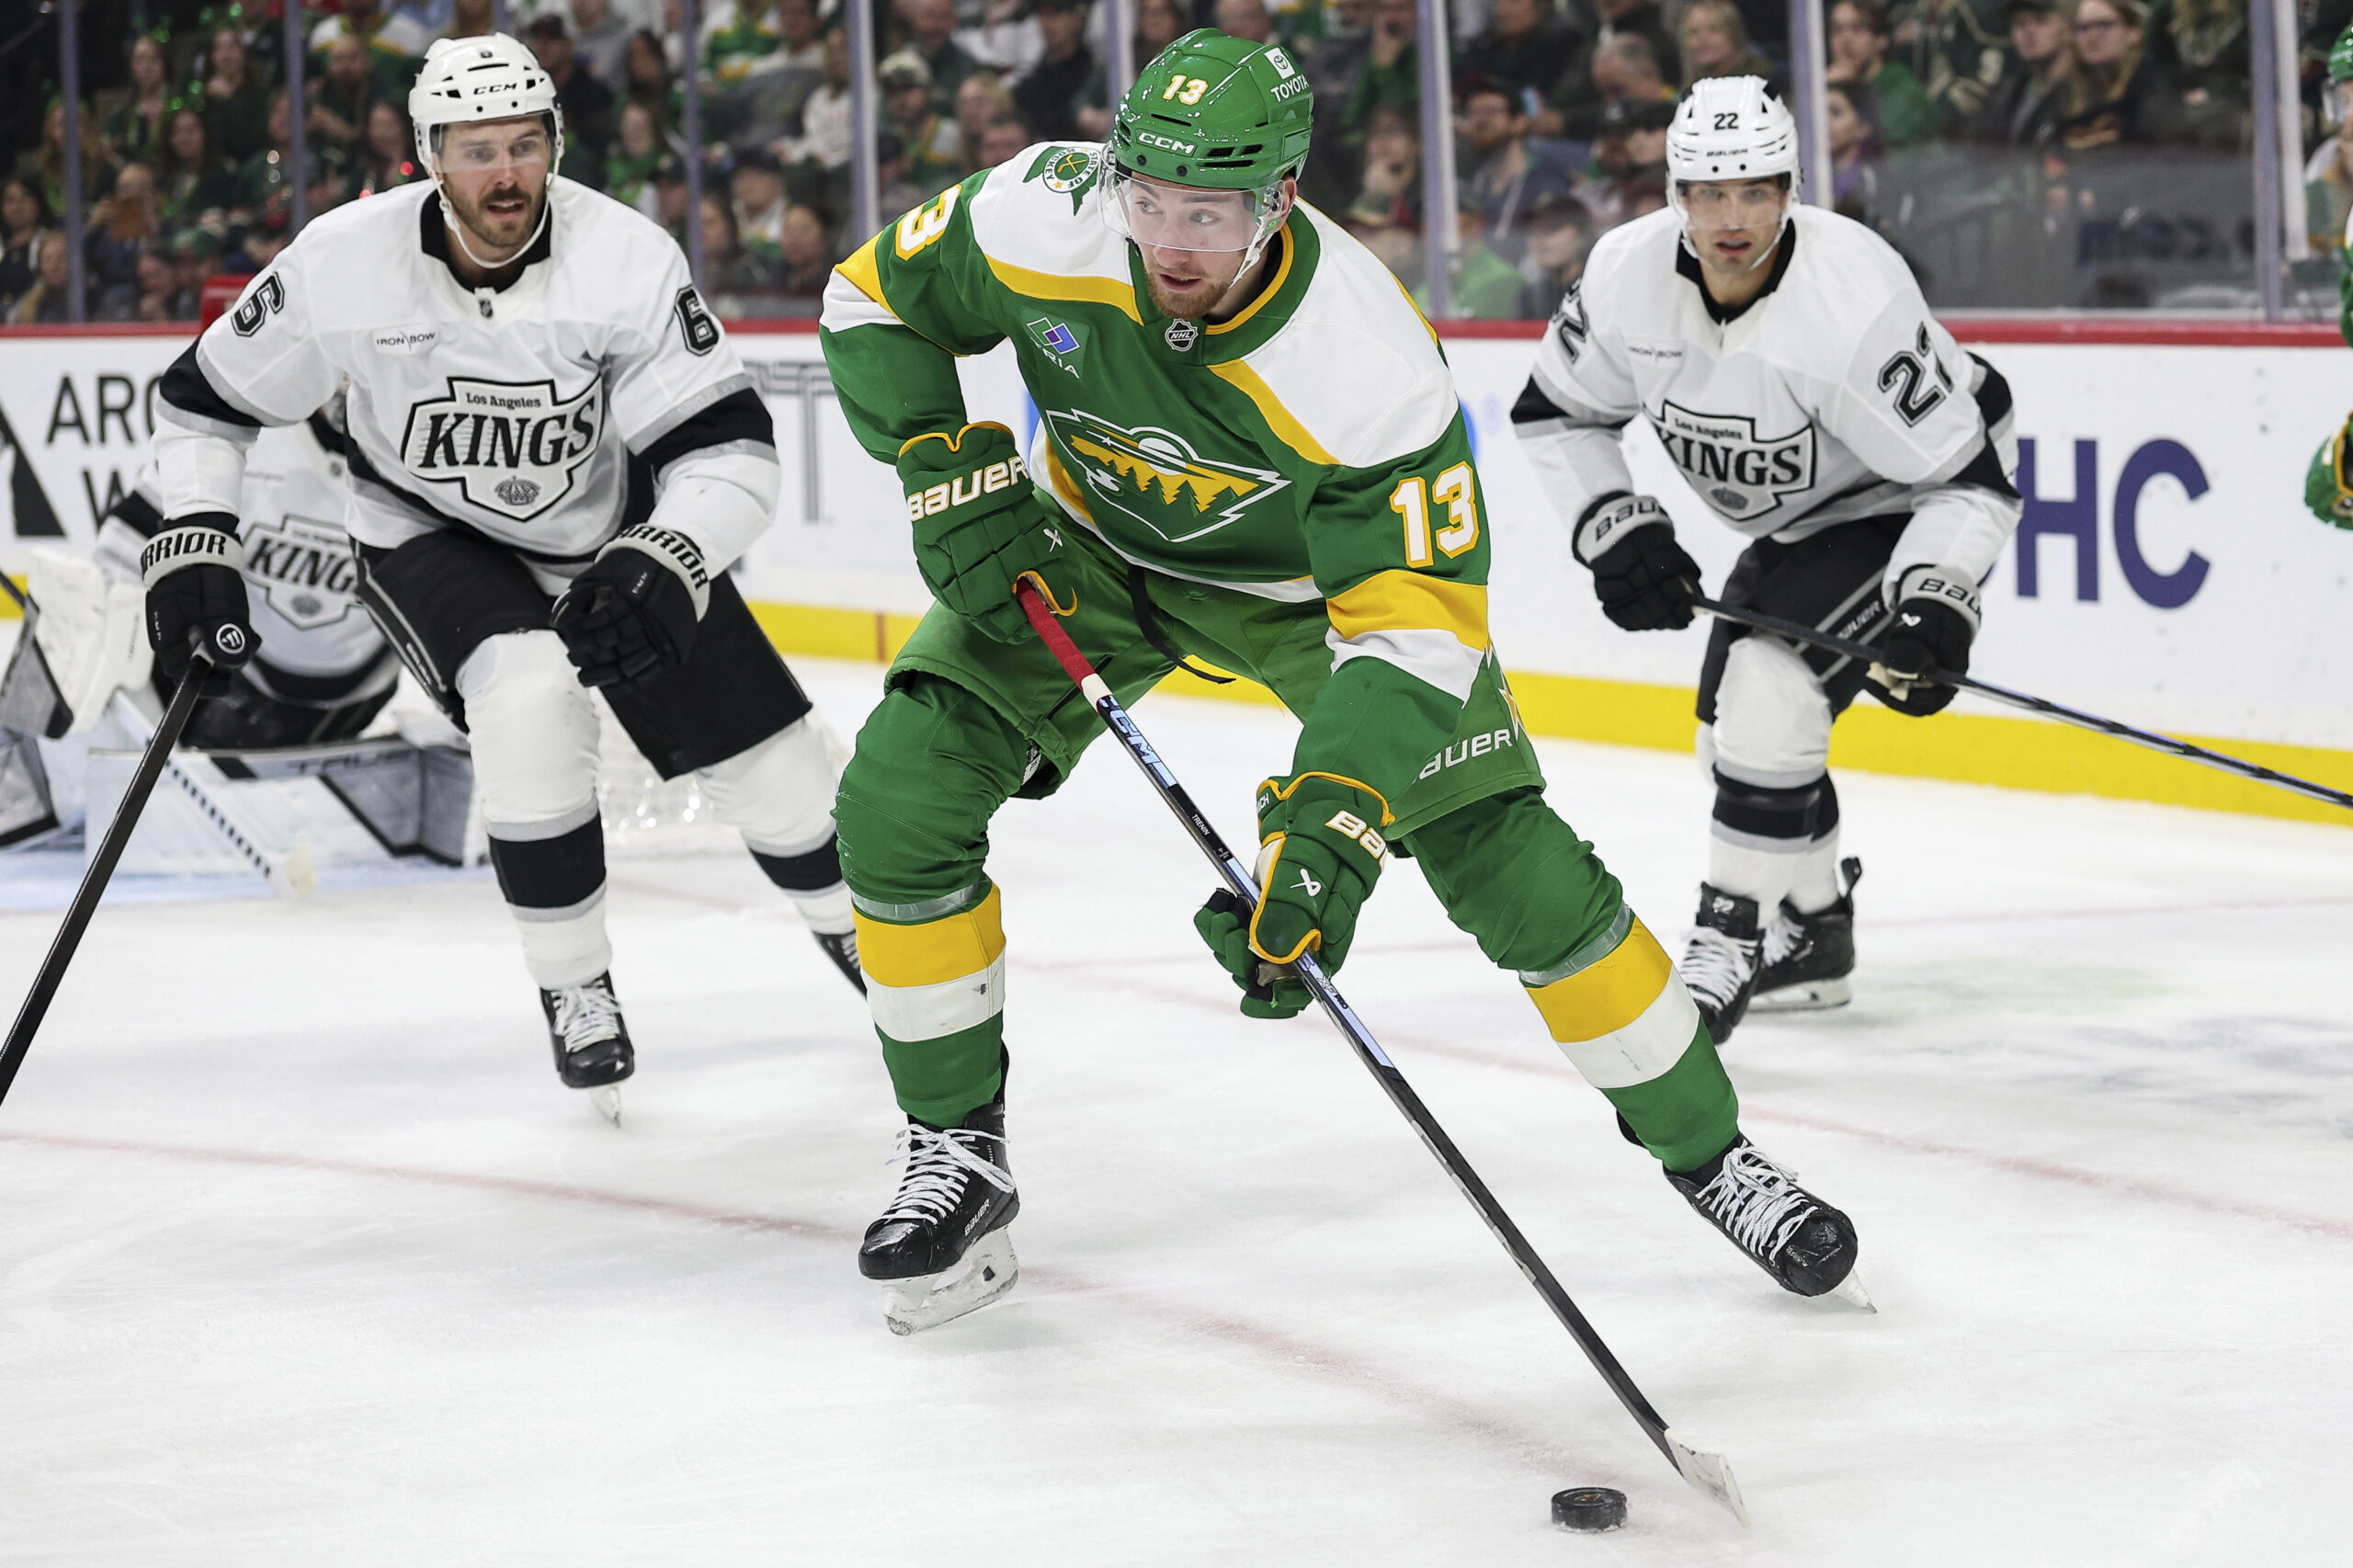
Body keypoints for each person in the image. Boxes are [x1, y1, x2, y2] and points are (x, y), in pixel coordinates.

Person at [818, 29, 1865, 1335]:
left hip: (1311, 601)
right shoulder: (1043, 208)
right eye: (1149, 202)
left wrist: (1331, 829)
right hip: (1078, 542)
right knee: (898, 795)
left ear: (1284, 196)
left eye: (1211, 212)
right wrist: (932, 451)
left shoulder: (1365, 360)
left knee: (1506, 853)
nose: (1172, 242)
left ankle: (1716, 1155)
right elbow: (872, 299)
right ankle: (956, 1149)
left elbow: (1415, 632)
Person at [139, 34, 864, 1120]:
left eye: (526, 145)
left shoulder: (624, 258)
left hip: (609, 534)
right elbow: (205, 403)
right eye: (478, 150)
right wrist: (195, 536)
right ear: (430, 155)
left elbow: (729, 452)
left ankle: (869, 937)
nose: (506, 173)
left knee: (779, 769)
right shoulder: (342, 261)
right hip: (427, 532)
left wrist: (666, 554)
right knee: (526, 699)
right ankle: (576, 985)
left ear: (556, 146)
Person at [1513, 78, 2021, 1045]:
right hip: (1802, 520)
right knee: (1734, 745)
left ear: (1791, 188)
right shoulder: (1625, 277)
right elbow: (1556, 415)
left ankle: (1728, 936)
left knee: (1768, 695)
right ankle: (1817, 930)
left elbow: (1970, 483)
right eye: (1707, 192)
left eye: (1755, 190)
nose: (1732, 218)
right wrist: (1615, 527)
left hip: (1904, 495)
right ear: (1672, 193)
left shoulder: (1851, 298)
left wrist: (1935, 599)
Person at [1826, 0, 1940, 146]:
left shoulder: (1903, 91)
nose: (1845, 39)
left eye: (1858, 29)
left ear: (1882, 40)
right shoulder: (1831, 88)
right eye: (1837, 30)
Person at [1968, 0, 2074, 144]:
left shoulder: (2085, 95)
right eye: (2020, 24)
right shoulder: (2003, 96)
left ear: (2068, 29)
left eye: (2041, 21)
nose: (2029, 32)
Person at [1011, 0, 1097, 144]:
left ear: (1076, 19)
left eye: (1056, 13)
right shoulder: (1032, 83)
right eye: (1042, 15)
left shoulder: (1094, 73)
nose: (1048, 23)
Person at [0, 176, 50, 315]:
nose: (17, 207)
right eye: (10, 200)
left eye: (24, 199)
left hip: (32, 317)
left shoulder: (47, 242)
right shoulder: (2, 247)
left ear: (38, 203)